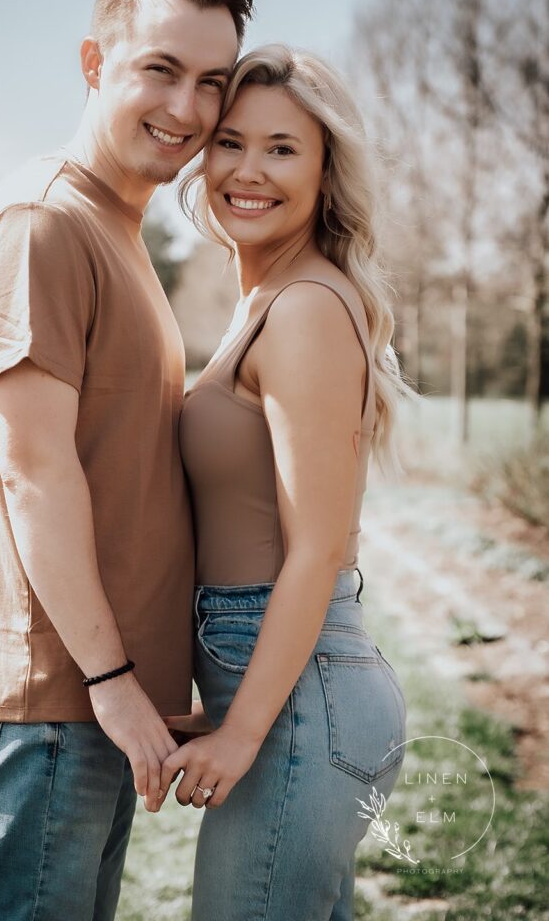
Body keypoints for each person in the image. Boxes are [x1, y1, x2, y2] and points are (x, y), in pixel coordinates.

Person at [0, 0, 252, 921]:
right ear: (95, 63)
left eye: (212, 81)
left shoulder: (113, 228)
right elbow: (35, 472)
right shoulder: (43, 224)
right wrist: (106, 675)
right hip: (58, 697)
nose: (187, 108)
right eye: (160, 69)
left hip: (100, 700)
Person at [161, 45, 416, 921]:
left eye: (282, 148)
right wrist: (223, 701)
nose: (248, 170)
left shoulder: (305, 307)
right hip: (293, 694)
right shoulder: (268, 297)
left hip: (305, 708)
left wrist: (243, 728)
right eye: (230, 142)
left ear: (324, 170)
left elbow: (314, 551)